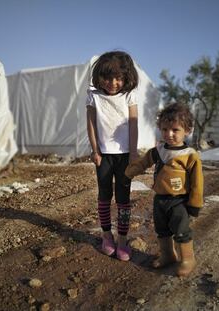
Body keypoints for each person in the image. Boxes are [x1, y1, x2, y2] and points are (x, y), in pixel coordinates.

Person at [125, 103, 203, 277]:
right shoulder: (158, 150)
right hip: (159, 199)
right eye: (165, 129)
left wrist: (195, 203)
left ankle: (188, 259)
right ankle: (168, 254)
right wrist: (128, 173)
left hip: (179, 201)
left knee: (181, 230)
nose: (169, 134)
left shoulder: (190, 155)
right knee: (162, 229)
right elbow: (143, 163)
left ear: (187, 130)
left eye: (175, 130)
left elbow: (198, 182)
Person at [86, 51, 139, 261]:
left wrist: (134, 152)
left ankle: (123, 239)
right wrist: (95, 149)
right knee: (104, 196)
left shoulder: (129, 95)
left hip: (125, 155)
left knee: (124, 199)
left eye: (118, 78)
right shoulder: (93, 95)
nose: (113, 83)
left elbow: (133, 123)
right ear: (99, 77)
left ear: (126, 77)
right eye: (107, 78)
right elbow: (90, 123)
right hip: (104, 155)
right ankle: (107, 236)